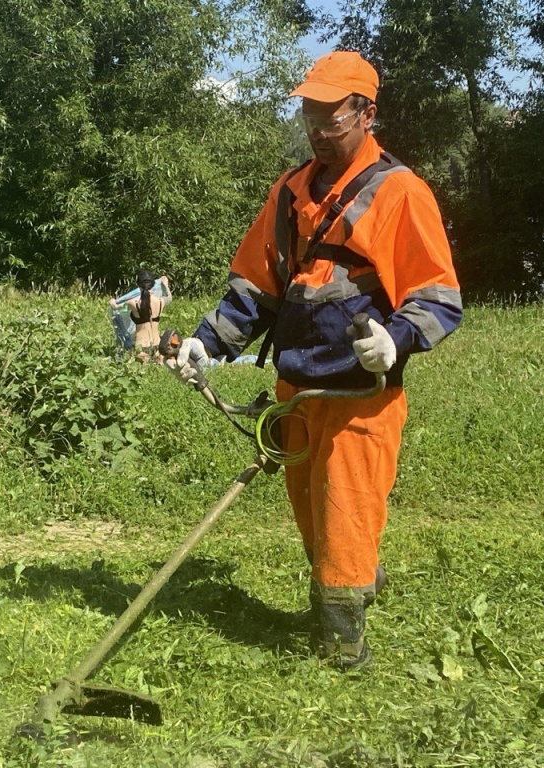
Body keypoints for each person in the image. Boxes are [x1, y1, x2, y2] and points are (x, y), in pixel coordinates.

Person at [165, 51, 462, 669]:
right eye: (310, 117)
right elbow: (256, 288)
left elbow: (438, 296)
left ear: (367, 114)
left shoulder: (400, 192)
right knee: (314, 516)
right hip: (295, 390)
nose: (319, 131)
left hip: (360, 396)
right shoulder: (290, 191)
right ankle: (355, 583)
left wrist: (396, 339)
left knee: (344, 517)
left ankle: (341, 650)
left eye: (332, 118)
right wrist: (206, 342)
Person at [109, 270, 172, 360]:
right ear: (153, 284)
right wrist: (165, 285)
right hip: (158, 346)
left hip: (141, 348)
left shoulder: (133, 303)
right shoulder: (161, 301)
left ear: (138, 285)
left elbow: (117, 308)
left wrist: (112, 302)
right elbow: (169, 298)